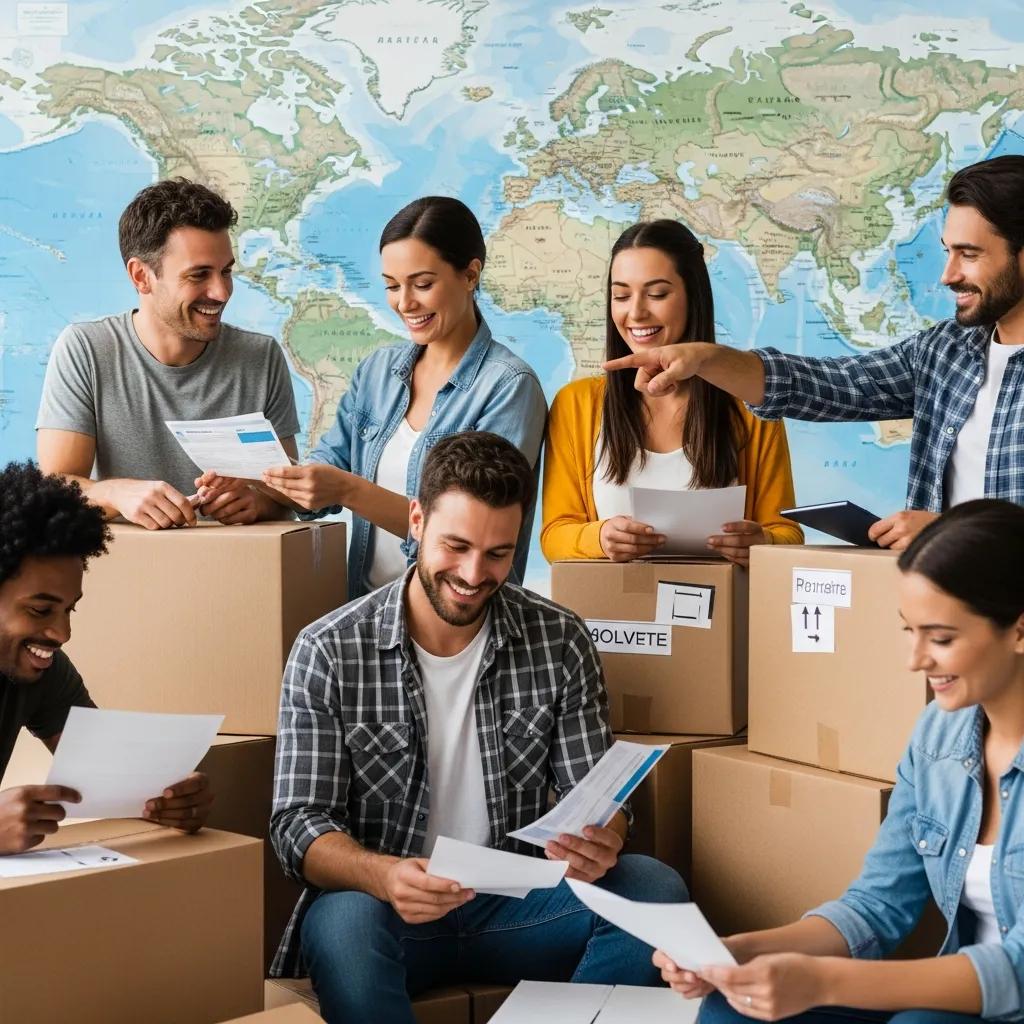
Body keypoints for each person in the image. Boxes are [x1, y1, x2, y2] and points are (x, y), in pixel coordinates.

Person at [269, 431, 687, 1023]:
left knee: (652, 887)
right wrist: (384, 875)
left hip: (517, 908)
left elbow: (594, 795)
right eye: (456, 545)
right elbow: (295, 825)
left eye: (498, 554)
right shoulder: (328, 649)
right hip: (389, 914)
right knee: (340, 921)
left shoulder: (559, 637)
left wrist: (603, 836)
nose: (473, 573)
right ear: (416, 521)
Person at [655, 498, 1024, 1023]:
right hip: (958, 997)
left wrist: (823, 981)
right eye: (909, 630)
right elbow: (875, 907)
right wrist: (738, 953)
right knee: (734, 1007)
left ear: (1018, 630)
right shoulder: (939, 736)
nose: (915, 660)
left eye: (940, 638)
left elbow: (1017, 971)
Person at [603, 156, 1024, 551]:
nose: (948, 275)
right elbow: (826, 385)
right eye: (948, 251)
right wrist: (704, 359)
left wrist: (950, 531)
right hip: (956, 618)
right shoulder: (945, 352)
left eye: (969, 254)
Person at [254, 197, 547, 599]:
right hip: (370, 611)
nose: (404, 303)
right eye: (392, 286)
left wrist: (348, 490)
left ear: (470, 274)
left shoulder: (509, 386)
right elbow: (327, 466)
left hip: (466, 618)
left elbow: (473, 528)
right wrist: (259, 489)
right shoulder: (377, 372)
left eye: (422, 284)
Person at [36, 177, 300, 530]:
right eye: (198, 275)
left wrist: (259, 501)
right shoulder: (86, 350)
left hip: (237, 570)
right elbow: (55, 489)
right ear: (141, 276)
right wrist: (117, 493)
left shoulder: (261, 357)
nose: (221, 292)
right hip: (134, 573)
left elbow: (289, 496)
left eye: (226, 271)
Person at [542, 220, 802, 567]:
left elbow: (786, 533)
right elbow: (554, 534)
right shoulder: (577, 404)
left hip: (721, 614)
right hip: (614, 616)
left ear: (693, 296)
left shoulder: (751, 404)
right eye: (620, 295)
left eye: (657, 294)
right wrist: (599, 538)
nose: (635, 313)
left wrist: (763, 541)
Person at [0, 461, 213, 853]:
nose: (62, 634)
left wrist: (166, 796)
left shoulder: (45, 671)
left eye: (70, 610)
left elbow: (112, 775)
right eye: (40, 610)